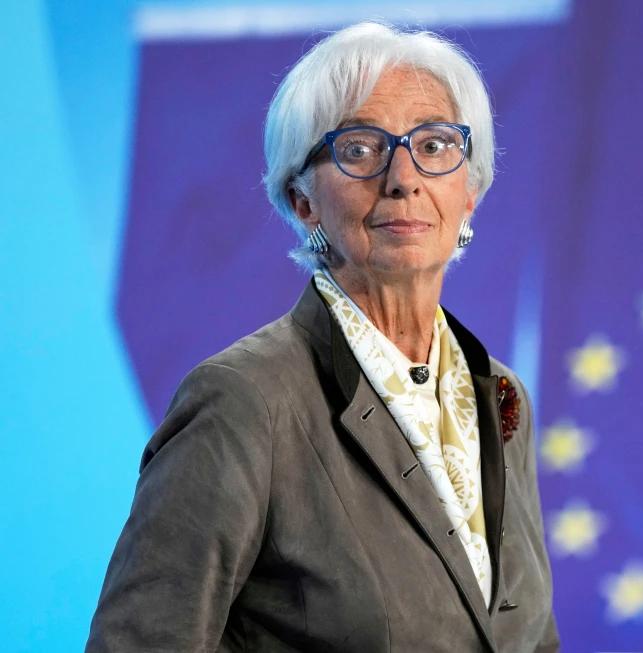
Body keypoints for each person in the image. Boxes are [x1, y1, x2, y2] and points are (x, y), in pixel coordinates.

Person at [86, 21, 559, 653]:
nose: (403, 177)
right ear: (303, 201)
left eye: (435, 144)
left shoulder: (501, 395)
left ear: (468, 193)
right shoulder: (244, 401)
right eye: (359, 149)